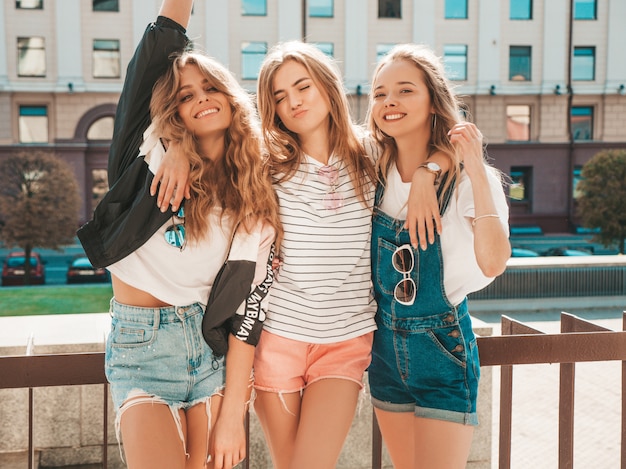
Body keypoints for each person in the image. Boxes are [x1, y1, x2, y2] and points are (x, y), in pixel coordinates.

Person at [76, 1, 280, 468]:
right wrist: (171, 147)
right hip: (141, 352)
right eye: (186, 96)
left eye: (210, 87)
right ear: (174, 111)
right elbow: (161, 41)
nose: (201, 98)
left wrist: (233, 413)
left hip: (209, 354)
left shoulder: (254, 195)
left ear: (231, 97)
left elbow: (250, 309)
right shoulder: (143, 160)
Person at [251, 41, 449, 469]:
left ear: (327, 86)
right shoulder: (265, 163)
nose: (293, 101)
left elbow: (445, 143)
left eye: (302, 86)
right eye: (280, 97)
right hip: (277, 338)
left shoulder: (371, 154)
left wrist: (426, 175)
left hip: (345, 339)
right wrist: (174, 154)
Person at [365, 43, 511, 468]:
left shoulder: (468, 177)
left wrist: (471, 169)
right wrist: (428, 172)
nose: (389, 101)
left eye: (405, 90)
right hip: (383, 352)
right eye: (379, 93)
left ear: (433, 100)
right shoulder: (371, 165)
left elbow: (494, 262)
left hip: (442, 350)